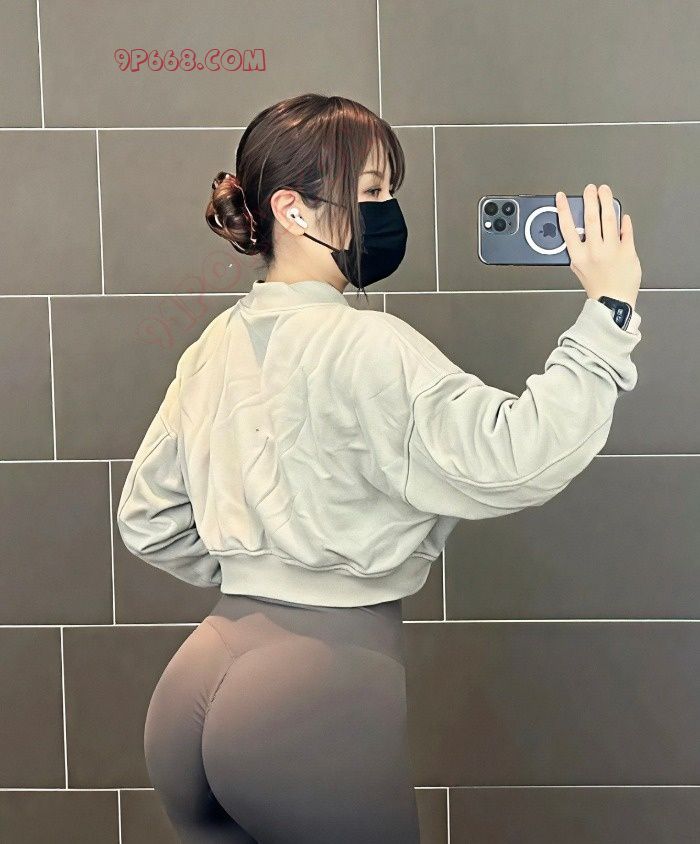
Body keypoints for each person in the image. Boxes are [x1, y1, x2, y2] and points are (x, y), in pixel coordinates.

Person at [116, 93, 643, 843]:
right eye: (369, 191)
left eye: (388, 189)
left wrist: (263, 563)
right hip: (313, 698)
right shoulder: (369, 345)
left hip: (193, 688)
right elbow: (517, 456)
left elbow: (148, 520)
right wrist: (610, 308)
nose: (387, 210)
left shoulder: (213, 346)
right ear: (291, 209)